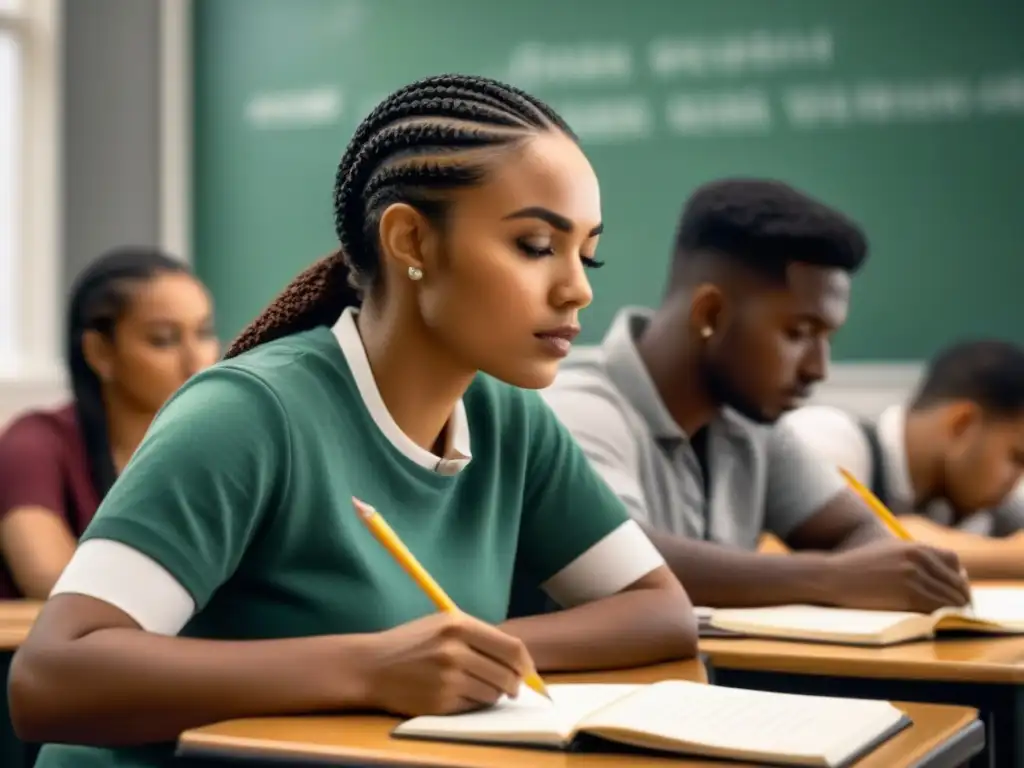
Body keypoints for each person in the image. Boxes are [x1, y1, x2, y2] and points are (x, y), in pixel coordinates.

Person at [9, 74, 695, 766]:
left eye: (588, 252)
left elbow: (659, 611)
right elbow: (51, 678)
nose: (578, 287)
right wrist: (372, 668)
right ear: (411, 242)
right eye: (536, 246)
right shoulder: (248, 414)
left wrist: (472, 656)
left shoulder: (510, 419)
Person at [541, 178, 971, 612]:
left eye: (827, 339)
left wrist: (868, 572)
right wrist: (828, 578)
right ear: (710, 313)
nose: (817, 368)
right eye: (799, 333)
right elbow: (621, 559)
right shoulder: (579, 408)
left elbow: (858, 534)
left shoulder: (749, 423)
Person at [0, 248, 219, 599]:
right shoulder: (33, 443)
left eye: (205, 333)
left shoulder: (217, 447)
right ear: (100, 352)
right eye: (164, 339)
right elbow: (52, 581)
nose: (197, 361)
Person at [784, 340, 1024, 579]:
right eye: (1016, 458)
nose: (1017, 479)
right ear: (961, 424)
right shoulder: (827, 440)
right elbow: (868, 541)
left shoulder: (968, 502)